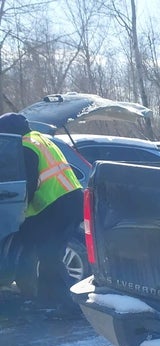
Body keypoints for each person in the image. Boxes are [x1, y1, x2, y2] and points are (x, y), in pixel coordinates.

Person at [0, 112, 83, 313]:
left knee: (50, 257)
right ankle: (41, 299)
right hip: (66, 202)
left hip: (55, 206)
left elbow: (27, 185)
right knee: (35, 250)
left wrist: (18, 213)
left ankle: (67, 307)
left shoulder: (26, 148)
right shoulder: (39, 139)